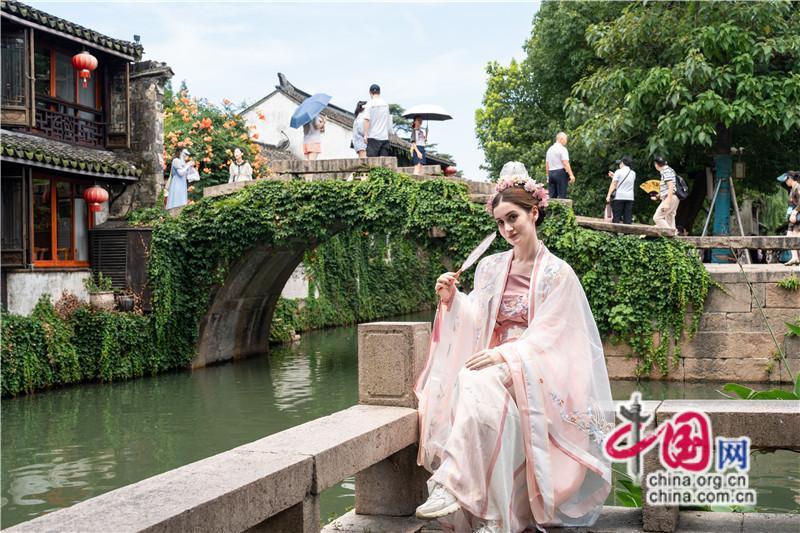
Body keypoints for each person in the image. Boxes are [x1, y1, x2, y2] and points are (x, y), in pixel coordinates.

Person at [414, 161, 613, 532]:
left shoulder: (558, 273)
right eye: (500, 222)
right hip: (493, 360)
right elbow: (477, 317)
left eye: (513, 218)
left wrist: (506, 354)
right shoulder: (490, 267)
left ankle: (451, 484)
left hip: (537, 367)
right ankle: (495, 517)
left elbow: (555, 334)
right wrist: (452, 300)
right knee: (481, 390)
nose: (507, 228)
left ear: (533, 213)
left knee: (475, 381)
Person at [363, 83, 393, 157]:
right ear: (379, 92)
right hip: (384, 138)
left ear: (370, 93)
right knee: (384, 162)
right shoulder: (385, 104)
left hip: (373, 137)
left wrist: (365, 135)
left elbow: (366, 120)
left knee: (372, 162)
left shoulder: (369, 104)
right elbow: (388, 120)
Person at [778, 171, 800, 266]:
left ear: (790, 178)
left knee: (794, 236)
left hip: (797, 216)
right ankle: (795, 257)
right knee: (790, 237)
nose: (785, 182)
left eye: (786, 180)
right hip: (793, 217)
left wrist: (795, 212)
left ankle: (796, 258)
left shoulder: (798, 187)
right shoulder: (792, 188)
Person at [652, 156, 679, 234]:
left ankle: (671, 234)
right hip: (674, 197)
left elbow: (671, 186)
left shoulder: (665, 171)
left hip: (670, 197)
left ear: (656, 164)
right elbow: (669, 187)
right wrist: (658, 196)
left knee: (657, 218)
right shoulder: (669, 170)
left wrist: (667, 202)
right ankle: (674, 237)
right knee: (670, 219)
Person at [545, 132, 575, 199]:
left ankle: (551, 206)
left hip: (551, 173)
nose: (566, 141)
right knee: (562, 196)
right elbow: (565, 163)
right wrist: (571, 175)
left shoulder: (549, 149)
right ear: (561, 139)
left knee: (552, 197)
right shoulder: (563, 149)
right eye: (566, 139)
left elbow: (547, 164)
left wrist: (547, 176)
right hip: (560, 173)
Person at [605, 157, 636, 224]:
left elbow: (614, 184)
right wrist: (614, 176)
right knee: (627, 217)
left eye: (620, 163)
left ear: (622, 163)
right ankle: (627, 230)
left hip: (619, 197)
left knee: (617, 217)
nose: (619, 165)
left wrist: (608, 195)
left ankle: (615, 230)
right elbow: (625, 182)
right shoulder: (633, 173)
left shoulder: (618, 172)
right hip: (630, 198)